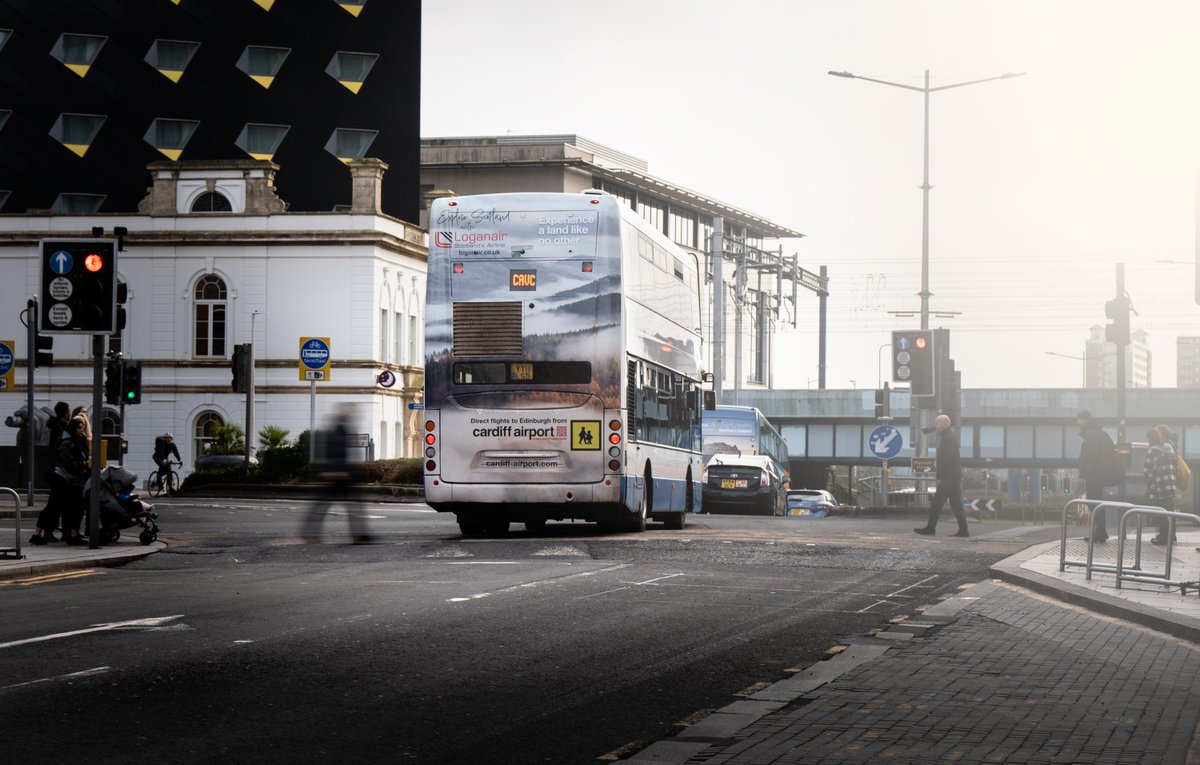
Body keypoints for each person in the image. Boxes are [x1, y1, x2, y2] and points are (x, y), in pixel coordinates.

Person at [302, 404, 373, 544]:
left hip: (341, 474)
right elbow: (335, 452)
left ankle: (310, 532)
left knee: (328, 505)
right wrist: (335, 472)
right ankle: (359, 535)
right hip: (339, 474)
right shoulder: (337, 431)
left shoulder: (342, 428)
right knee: (350, 505)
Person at [914, 414, 969, 538]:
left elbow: (948, 459)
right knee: (956, 505)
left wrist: (939, 471)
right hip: (953, 476)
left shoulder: (947, 438)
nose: (936, 426)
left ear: (944, 424)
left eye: (937, 423)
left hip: (949, 477)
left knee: (936, 502)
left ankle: (930, 528)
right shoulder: (948, 437)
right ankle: (964, 531)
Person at [29, 401, 71, 544]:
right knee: (54, 504)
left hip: (56, 471)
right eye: (68, 411)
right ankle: (42, 532)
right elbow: (58, 451)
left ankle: (48, 531)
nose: (70, 413)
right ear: (65, 413)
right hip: (57, 472)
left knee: (57, 504)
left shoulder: (59, 427)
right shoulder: (59, 429)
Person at [1077, 410, 1119, 543]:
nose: (1078, 422)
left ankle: (1100, 532)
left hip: (1095, 473)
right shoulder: (1096, 433)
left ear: (1087, 421)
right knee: (1096, 502)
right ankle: (1100, 531)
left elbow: (1092, 456)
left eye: (1080, 420)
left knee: (1093, 502)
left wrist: (1086, 472)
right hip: (1099, 472)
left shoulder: (1091, 434)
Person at [57, 416, 91, 545]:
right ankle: (71, 534)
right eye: (79, 427)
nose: (82, 430)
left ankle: (72, 533)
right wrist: (83, 464)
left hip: (77, 478)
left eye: (83, 427)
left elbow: (84, 456)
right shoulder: (67, 443)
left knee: (75, 508)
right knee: (75, 508)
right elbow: (68, 463)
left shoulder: (80, 440)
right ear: (73, 428)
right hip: (70, 480)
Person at [1146, 425, 1178, 545]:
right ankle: (1171, 535)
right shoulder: (1170, 448)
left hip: (1159, 487)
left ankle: (1163, 537)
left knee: (1161, 512)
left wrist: (1148, 485)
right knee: (1169, 512)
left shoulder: (1152, 451)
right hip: (1170, 485)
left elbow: (1147, 471)